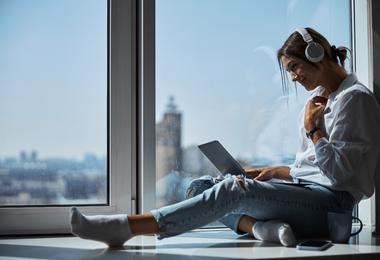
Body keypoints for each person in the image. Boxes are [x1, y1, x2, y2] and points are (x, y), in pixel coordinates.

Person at [70, 27, 380, 248]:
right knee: (201, 186)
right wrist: (275, 171)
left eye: (295, 67)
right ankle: (260, 229)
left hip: (331, 209)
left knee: (233, 189)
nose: (294, 77)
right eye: (289, 71)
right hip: (307, 195)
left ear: (317, 54)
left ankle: (129, 226)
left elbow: (340, 176)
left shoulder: (355, 99)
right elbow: (316, 167)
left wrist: (314, 130)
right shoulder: (321, 99)